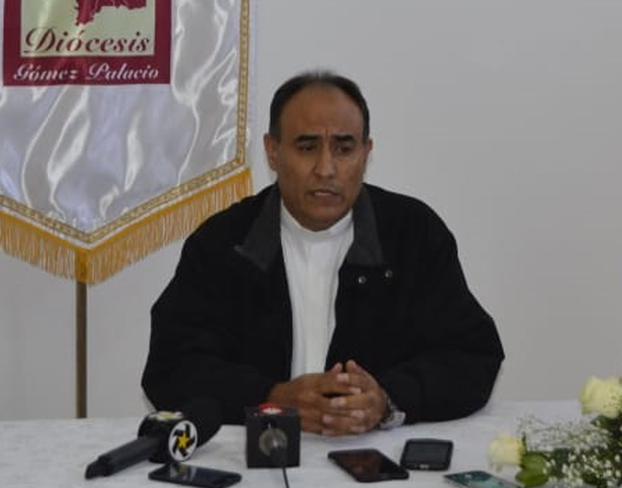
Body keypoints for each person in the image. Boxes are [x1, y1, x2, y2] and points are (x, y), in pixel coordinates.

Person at [142, 71, 504, 435]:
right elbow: (171, 367)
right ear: (272, 151)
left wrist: (387, 399)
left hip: (374, 454)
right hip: (256, 455)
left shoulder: (412, 234)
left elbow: (472, 357)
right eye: (307, 147)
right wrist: (272, 397)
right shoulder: (224, 243)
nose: (326, 169)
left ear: (366, 153)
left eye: (344, 149)